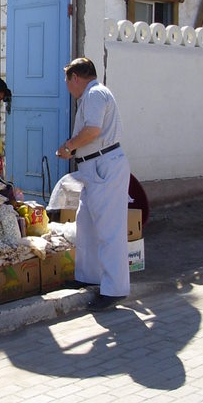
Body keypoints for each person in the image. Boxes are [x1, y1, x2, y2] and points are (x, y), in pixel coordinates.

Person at [56, 57, 130, 311]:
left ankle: (115, 289)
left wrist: (68, 146)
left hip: (104, 165)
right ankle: (88, 277)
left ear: (75, 77)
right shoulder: (90, 96)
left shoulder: (96, 94)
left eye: (67, 81)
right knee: (86, 224)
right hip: (94, 167)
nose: (67, 88)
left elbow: (92, 131)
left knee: (110, 230)